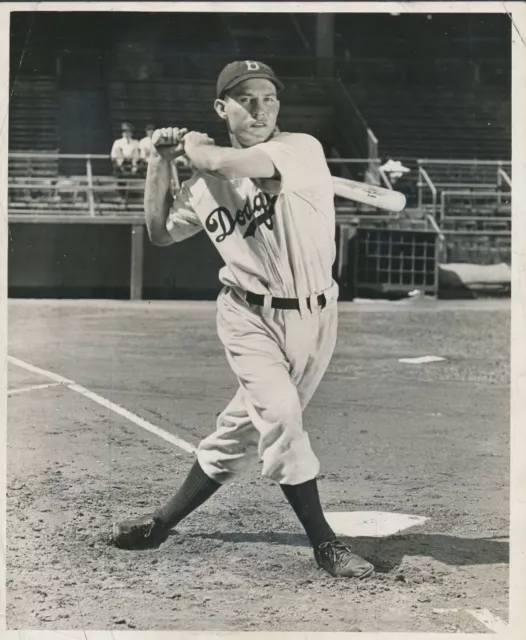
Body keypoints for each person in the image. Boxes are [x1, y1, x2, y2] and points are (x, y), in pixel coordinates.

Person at [112, 60, 374, 580]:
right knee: (280, 416)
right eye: (245, 98)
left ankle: (159, 525)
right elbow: (161, 232)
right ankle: (326, 545)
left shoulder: (298, 149)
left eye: (268, 98)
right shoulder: (204, 181)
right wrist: (160, 162)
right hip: (247, 316)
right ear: (222, 107)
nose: (259, 108)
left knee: (235, 438)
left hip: (317, 318)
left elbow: (224, 163)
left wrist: (188, 143)